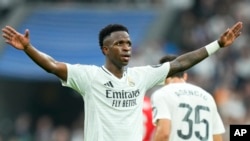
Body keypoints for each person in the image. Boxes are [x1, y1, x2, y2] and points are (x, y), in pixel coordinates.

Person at [1, 22, 242, 141]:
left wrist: (217, 45)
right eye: (119, 44)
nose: (126, 48)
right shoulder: (89, 77)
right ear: (105, 49)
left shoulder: (140, 77)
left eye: (128, 43)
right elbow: (52, 65)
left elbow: (180, 63)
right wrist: (28, 48)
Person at [151, 54, 225, 141]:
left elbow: (164, 134)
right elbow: (217, 137)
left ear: (161, 76)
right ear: (185, 76)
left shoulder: (162, 94)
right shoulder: (207, 97)